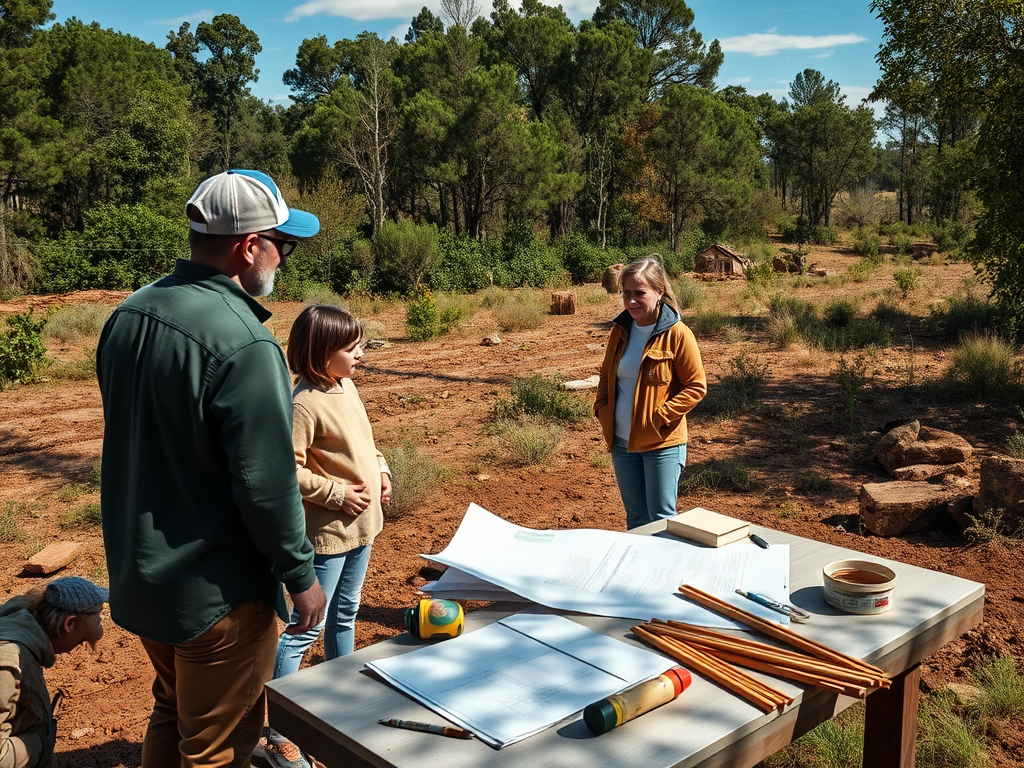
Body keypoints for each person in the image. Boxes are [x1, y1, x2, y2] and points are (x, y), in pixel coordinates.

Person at [96, 169, 328, 768]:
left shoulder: (128, 315)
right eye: (285, 245)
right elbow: (265, 483)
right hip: (218, 596)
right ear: (249, 246)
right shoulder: (245, 344)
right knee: (218, 750)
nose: (285, 260)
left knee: (172, 713)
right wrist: (300, 576)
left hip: (144, 578)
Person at [254, 305, 392, 768]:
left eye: (360, 346)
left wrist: (382, 468)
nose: (360, 355)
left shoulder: (345, 386)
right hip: (331, 533)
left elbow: (364, 440)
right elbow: (284, 469)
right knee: (304, 628)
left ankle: (340, 698)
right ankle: (280, 730)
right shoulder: (304, 403)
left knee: (346, 614)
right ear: (319, 354)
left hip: (363, 527)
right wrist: (333, 493)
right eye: (351, 349)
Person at [594, 257, 707, 530]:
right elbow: (607, 374)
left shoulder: (678, 334)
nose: (631, 301)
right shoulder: (620, 332)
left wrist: (659, 417)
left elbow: (696, 386)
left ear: (659, 291)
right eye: (626, 294)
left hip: (662, 444)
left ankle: (667, 573)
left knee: (661, 519)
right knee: (635, 519)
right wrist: (602, 408)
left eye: (640, 293)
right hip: (621, 443)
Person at [0, 576, 107, 768]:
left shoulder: (18, 621)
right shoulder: (8, 666)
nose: (74, 649)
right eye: (81, 640)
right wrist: (39, 746)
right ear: (70, 624)